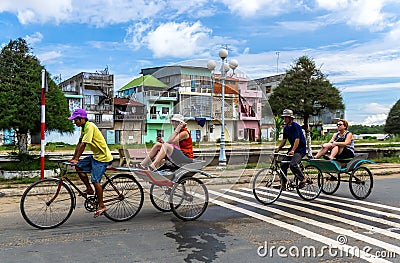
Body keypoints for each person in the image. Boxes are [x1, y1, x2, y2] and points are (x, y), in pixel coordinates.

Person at [68, 108, 113, 218]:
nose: (75, 122)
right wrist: (74, 159)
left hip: (103, 158)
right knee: (78, 166)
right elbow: (79, 143)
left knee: (95, 180)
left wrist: (77, 158)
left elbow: (83, 145)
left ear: (82, 119)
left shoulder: (90, 127)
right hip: (96, 157)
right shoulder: (83, 128)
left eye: (76, 120)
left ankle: (101, 205)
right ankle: (89, 189)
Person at [274, 109, 308, 189]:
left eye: (286, 117)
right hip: (292, 149)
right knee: (283, 164)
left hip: (300, 149)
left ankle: (303, 179)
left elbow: (297, 139)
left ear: (290, 118)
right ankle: (283, 184)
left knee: (293, 165)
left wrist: (293, 150)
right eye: (284, 117)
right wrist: (278, 148)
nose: (284, 119)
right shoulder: (286, 128)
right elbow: (284, 140)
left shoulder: (296, 126)